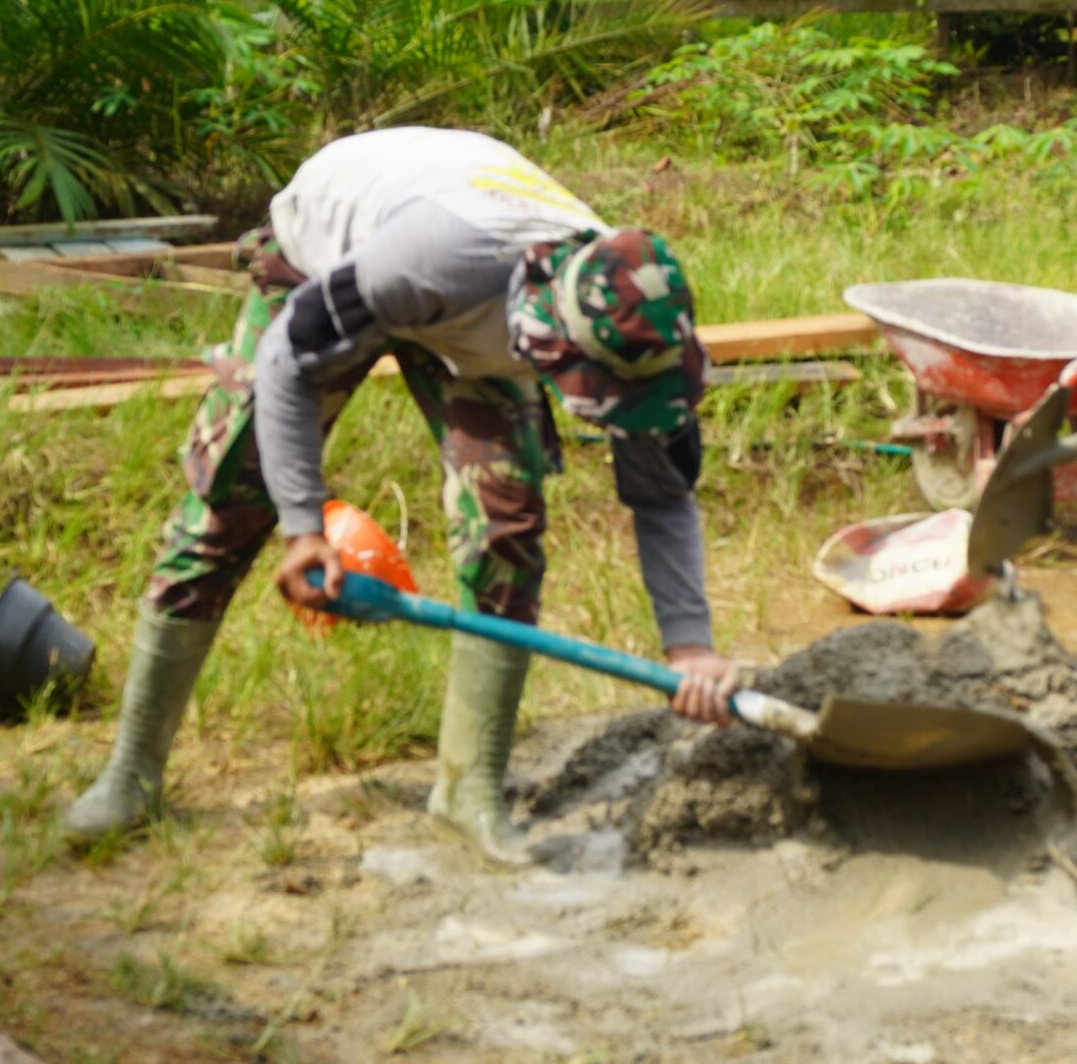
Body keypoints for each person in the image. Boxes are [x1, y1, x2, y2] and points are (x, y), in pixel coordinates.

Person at [61, 127, 742, 862]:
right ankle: (131, 775)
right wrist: (302, 527)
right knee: (232, 500)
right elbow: (289, 358)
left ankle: (467, 790)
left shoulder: (628, 314)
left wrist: (691, 647)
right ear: (552, 341)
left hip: (471, 291)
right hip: (332, 258)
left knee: (505, 524)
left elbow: (661, 494)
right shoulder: (431, 265)